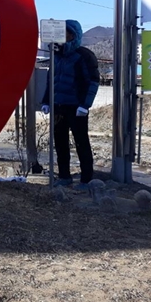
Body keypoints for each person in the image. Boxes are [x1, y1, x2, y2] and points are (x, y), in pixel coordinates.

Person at [41, 20, 100, 190]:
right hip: (58, 106)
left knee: (81, 142)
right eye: (63, 34)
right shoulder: (56, 56)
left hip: (76, 108)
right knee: (60, 142)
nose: (65, 37)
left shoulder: (84, 55)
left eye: (68, 34)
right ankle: (65, 176)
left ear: (75, 35)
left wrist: (85, 105)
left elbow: (93, 81)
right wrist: (46, 101)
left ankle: (86, 179)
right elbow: (51, 80)